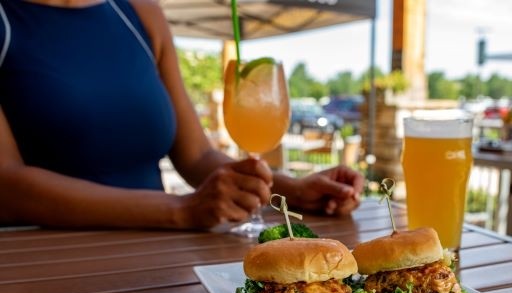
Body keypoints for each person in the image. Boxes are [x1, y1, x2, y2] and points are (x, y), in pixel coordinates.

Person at [0, 0, 364, 230]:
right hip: (41, 263)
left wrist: (292, 191)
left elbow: (198, 158)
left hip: (157, 255)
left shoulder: (141, 13)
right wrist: (180, 210)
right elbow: (8, 185)